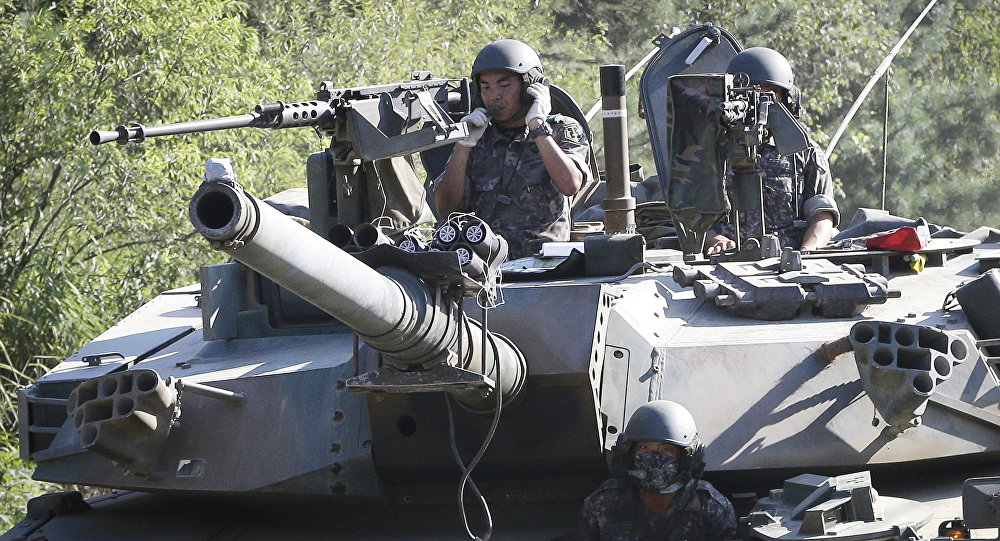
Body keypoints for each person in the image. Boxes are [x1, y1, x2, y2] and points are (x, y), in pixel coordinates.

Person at [433, 39, 592, 259]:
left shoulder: (560, 130)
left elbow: (571, 184)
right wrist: (463, 145)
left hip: (544, 266)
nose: (494, 95)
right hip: (486, 265)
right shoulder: (477, 138)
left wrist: (537, 126)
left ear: (529, 89)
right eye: (486, 87)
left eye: (504, 85)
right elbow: (447, 209)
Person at [705, 47, 839, 255]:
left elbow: (822, 215)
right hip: (722, 261)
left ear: (785, 99)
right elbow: (690, 215)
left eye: (767, 92)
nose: (756, 101)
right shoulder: (710, 149)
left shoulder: (803, 150)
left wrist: (806, 252)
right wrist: (713, 239)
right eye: (747, 92)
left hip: (786, 262)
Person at [579, 400, 739, 541]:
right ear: (629, 454)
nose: (654, 457)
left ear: (686, 457)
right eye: (644, 447)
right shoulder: (602, 504)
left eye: (666, 449)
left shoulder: (712, 508)